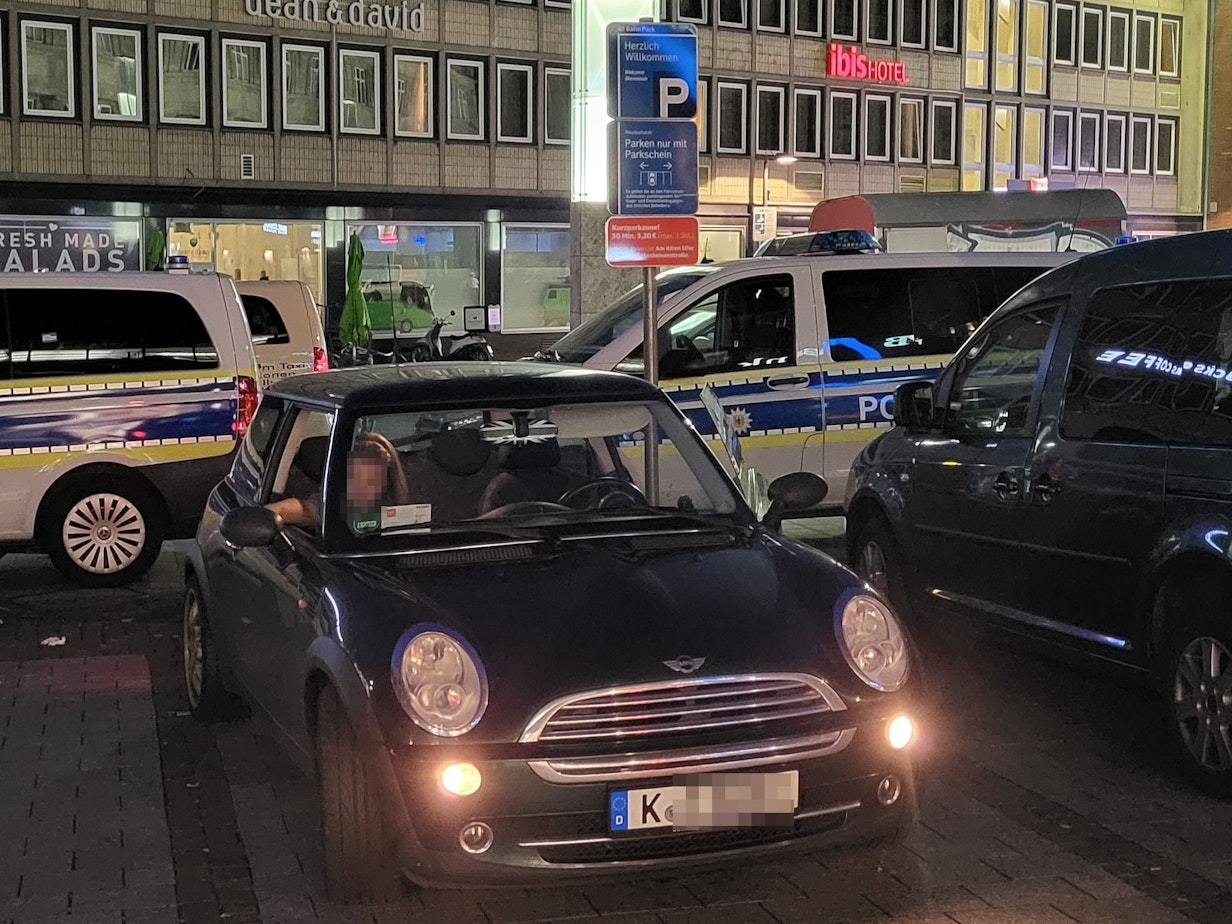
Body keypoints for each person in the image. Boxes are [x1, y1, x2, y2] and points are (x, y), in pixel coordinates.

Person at [268, 432, 410, 532]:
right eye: (357, 477)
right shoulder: (332, 507)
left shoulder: (411, 507)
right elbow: (299, 509)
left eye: (372, 480)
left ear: (386, 480)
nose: (363, 486)